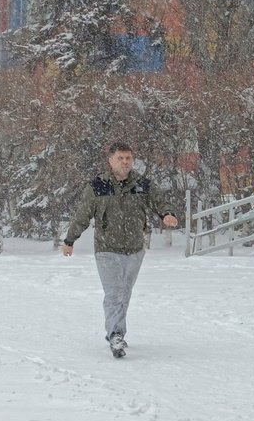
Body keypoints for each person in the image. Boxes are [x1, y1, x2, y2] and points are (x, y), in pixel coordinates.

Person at [60, 143, 176, 358]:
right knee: (114, 293)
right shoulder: (97, 186)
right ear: (111, 160)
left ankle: (117, 331)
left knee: (125, 292)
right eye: (121, 158)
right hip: (107, 249)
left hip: (134, 249)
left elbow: (160, 202)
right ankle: (115, 335)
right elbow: (82, 216)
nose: (125, 162)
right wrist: (70, 240)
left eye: (129, 158)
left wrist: (167, 214)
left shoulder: (142, 184)